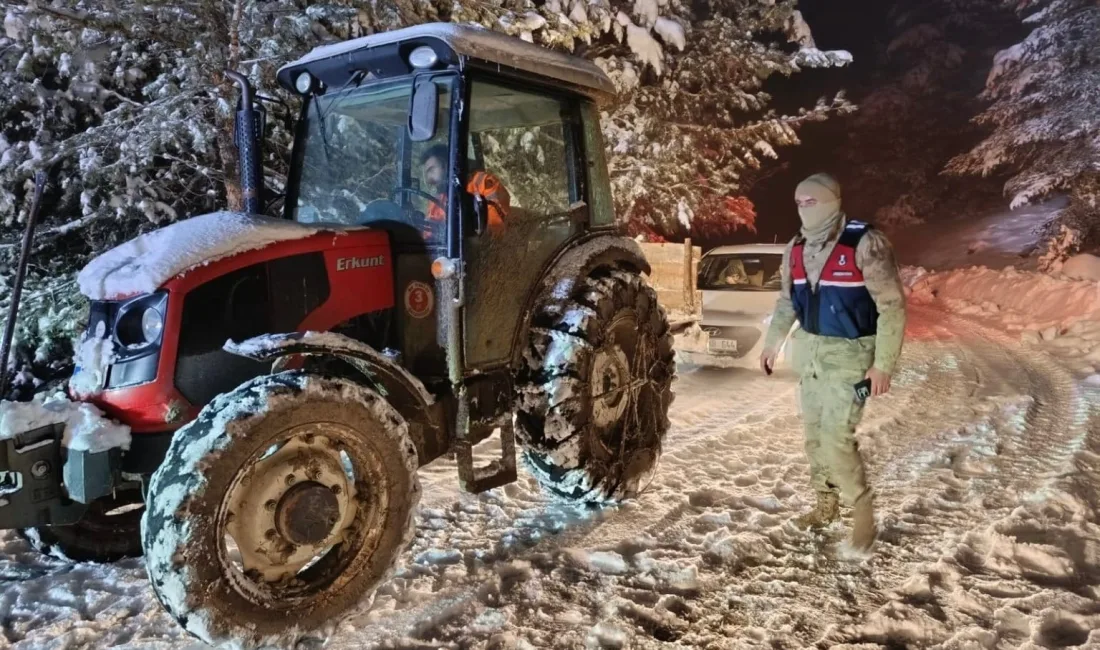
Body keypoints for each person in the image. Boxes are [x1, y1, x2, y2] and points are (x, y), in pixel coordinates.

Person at [758, 172, 906, 552]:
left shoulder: (864, 243)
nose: (805, 208)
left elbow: (891, 307)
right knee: (814, 437)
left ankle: (862, 516)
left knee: (836, 439)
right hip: (810, 356)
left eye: (813, 201)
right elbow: (788, 302)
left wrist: (883, 365)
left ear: (833, 201)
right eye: (799, 202)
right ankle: (825, 505)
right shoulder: (795, 247)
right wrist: (772, 343)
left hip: (850, 356)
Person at [420, 144, 510, 234]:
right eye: (426, 174)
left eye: (431, 170)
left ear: (447, 164)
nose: (428, 180)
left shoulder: (484, 183)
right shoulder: (436, 201)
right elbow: (427, 236)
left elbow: (496, 227)